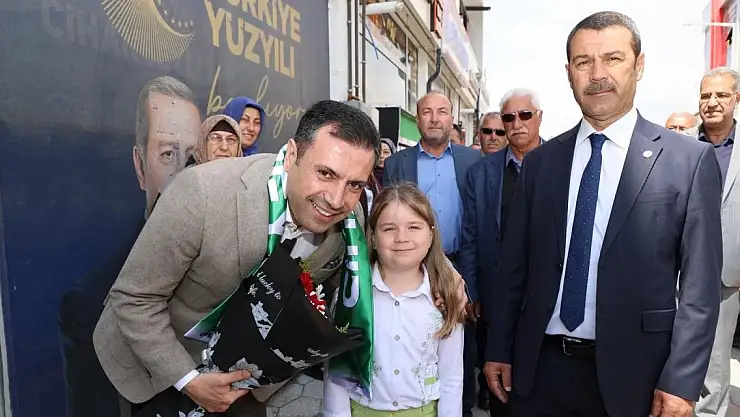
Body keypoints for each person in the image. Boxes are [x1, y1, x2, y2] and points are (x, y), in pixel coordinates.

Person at [93, 100, 467, 417]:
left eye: (354, 184)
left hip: (246, 380)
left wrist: (446, 275)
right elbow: (133, 298)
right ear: (291, 156)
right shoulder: (202, 194)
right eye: (325, 173)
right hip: (160, 365)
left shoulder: (350, 221)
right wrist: (188, 380)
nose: (336, 199)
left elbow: (394, 244)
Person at [484, 11, 723, 417]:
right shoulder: (541, 163)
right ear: (569, 73)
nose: (597, 74)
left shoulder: (687, 161)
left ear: (639, 65)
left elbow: (700, 288)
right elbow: (513, 267)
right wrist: (499, 347)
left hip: (638, 376)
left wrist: (681, 380)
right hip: (539, 371)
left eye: (612, 58)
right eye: (583, 62)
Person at [58, 75, 201, 417]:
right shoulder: (92, 304)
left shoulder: (226, 262)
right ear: (140, 166)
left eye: (192, 157)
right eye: (167, 153)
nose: (182, 174)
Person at [323, 182, 465, 417]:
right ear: (373, 237)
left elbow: (451, 376)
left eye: (413, 227)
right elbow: (337, 374)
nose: (401, 237)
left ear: (431, 235)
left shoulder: (446, 297)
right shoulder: (352, 297)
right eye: (389, 228)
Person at [383, 92, 480, 417]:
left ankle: (461, 409)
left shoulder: (472, 161)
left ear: (452, 118)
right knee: (417, 340)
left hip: (461, 263)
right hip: (413, 266)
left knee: (461, 346)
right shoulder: (397, 164)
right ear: (417, 117)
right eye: (427, 112)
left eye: (442, 111)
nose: (435, 118)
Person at [459, 88, 544, 417]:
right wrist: (473, 292)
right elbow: (470, 237)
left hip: (544, 297)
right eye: (509, 117)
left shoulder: (562, 164)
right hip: (495, 296)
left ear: (539, 118)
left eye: (525, 115)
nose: (516, 123)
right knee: (498, 383)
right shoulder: (481, 173)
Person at [695, 67, 740, 417]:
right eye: (706, 95)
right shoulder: (680, 146)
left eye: (721, 95)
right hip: (679, 269)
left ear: (736, 99)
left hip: (728, 273)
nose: (712, 102)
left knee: (716, 359)